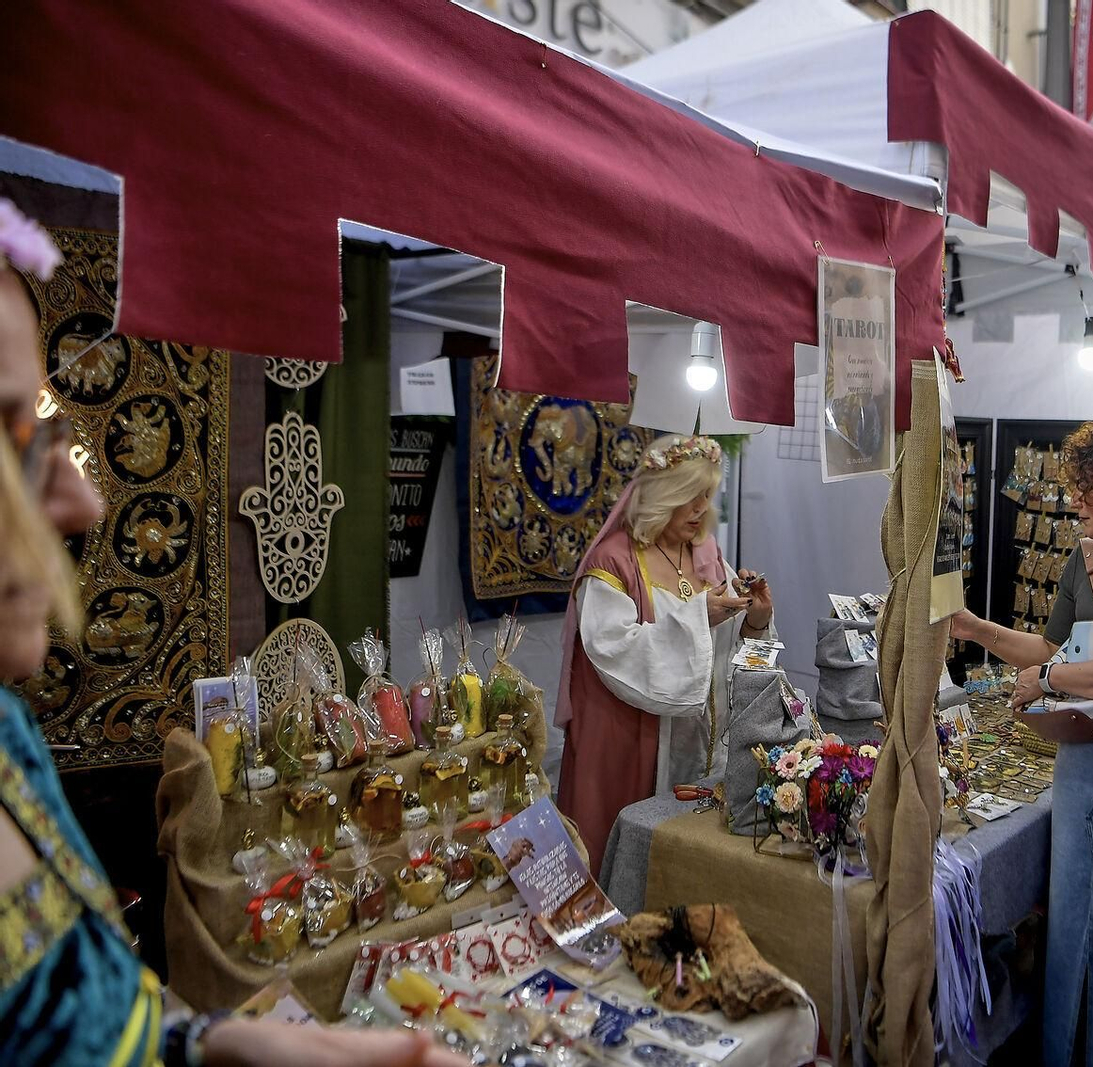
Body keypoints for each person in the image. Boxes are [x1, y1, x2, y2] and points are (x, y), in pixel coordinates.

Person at [0, 206, 466, 1065]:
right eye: (17, 437)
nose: (83, 503)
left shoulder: (8, 735)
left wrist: (216, 1042)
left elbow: (95, 1026)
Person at [951, 421, 1093, 1064]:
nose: (1071, 496)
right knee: (1072, 911)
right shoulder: (1085, 556)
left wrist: (1052, 678)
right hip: (1082, 754)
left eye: (1086, 485)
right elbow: (1052, 647)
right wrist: (976, 629)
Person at [555, 435, 774, 860]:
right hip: (630, 744)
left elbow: (726, 648)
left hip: (700, 744)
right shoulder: (613, 562)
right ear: (661, 495)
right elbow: (615, 651)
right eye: (691, 496)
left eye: (707, 495)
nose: (701, 508)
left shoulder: (706, 554)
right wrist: (697, 618)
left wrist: (755, 617)